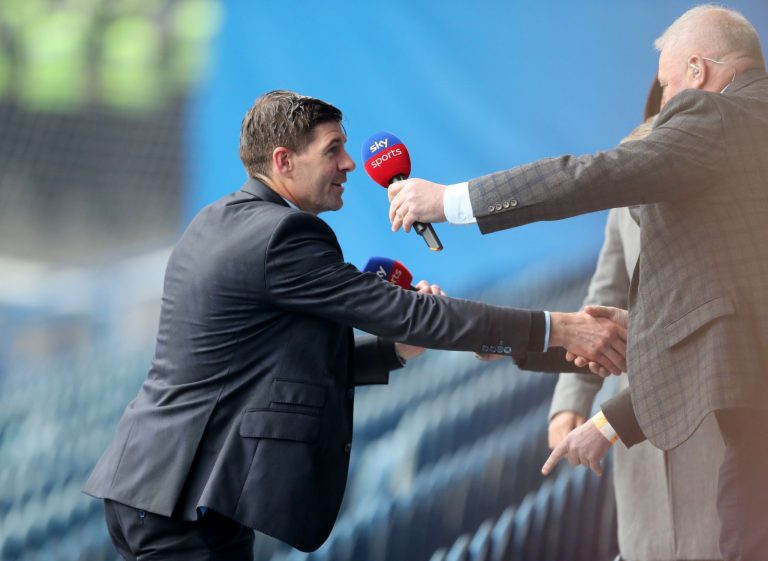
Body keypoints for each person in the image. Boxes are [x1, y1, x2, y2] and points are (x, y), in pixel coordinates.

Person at [82, 90, 625, 560]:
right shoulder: (285, 236)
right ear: (284, 161)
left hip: (157, 487)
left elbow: (269, 367)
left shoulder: (218, 219)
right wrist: (563, 329)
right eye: (333, 150)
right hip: (183, 500)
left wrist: (395, 351)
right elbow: (411, 310)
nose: (349, 164)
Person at [386, 6, 768, 559]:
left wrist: (448, 201)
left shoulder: (716, 118)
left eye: (668, 87)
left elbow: (586, 176)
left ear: (698, 71)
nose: (667, 107)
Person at [548, 78, 723, 561]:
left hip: (714, 425)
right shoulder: (630, 190)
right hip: (639, 449)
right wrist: (570, 399)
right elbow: (600, 297)